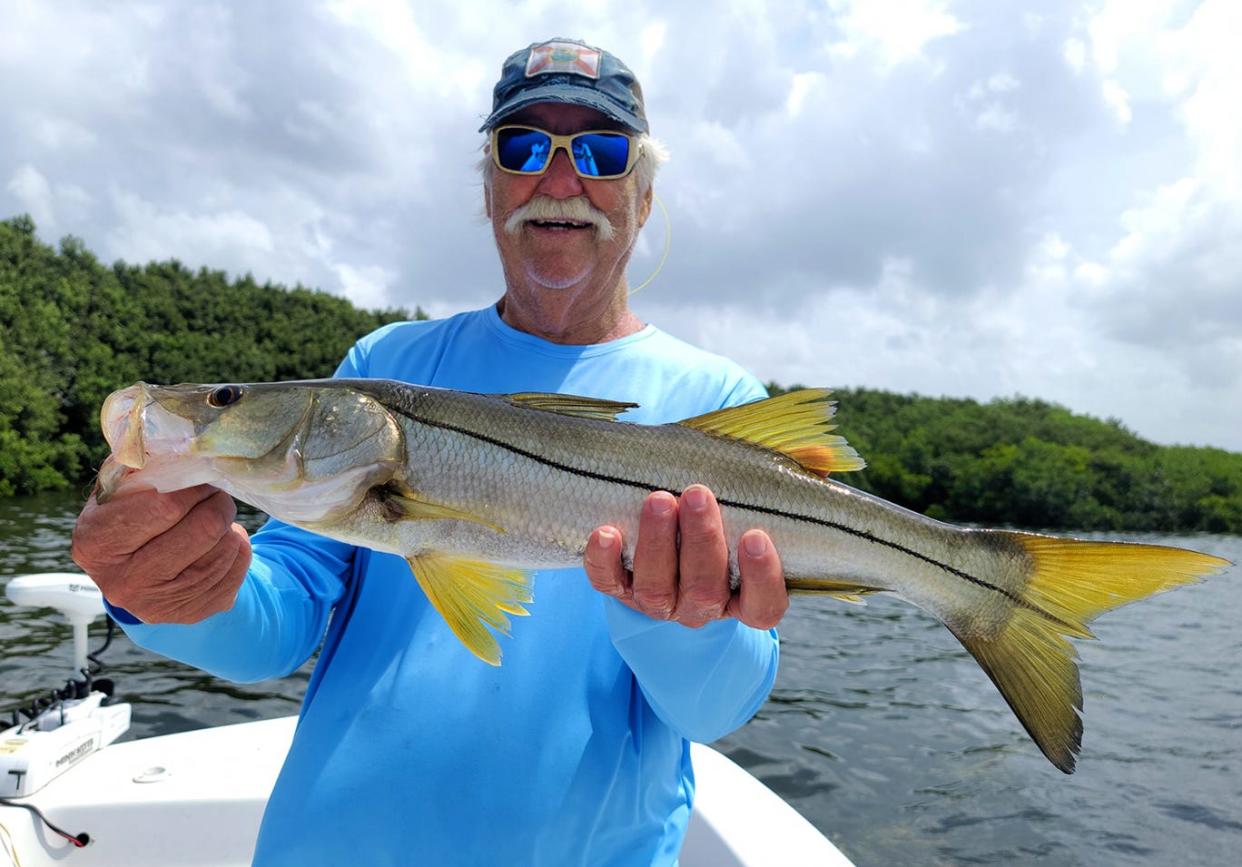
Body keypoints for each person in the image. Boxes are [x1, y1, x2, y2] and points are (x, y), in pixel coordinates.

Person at [72, 38, 790, 866]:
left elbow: (720, 704)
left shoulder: (720, 403)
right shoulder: (384, 364)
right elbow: (280, 614)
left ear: (645, 193)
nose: (560, 181)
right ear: (489, 188)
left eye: (601, 151)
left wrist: (688, 622)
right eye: (522, 149)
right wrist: (174, 591)